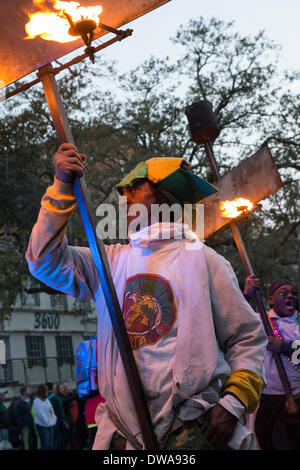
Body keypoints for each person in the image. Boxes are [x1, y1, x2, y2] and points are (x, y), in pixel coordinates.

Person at [26, 144, 267, 450]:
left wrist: (232, 406)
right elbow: (42, 260)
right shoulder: (109, 261)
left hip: (195, 432)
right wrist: (61, 186)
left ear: (160, 194)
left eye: (134, 188)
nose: (124, 199)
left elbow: (247, 339)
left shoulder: (208, 262)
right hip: (124, 436)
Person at [244, 275, 300, 449]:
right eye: (283, 292)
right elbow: (234, 318)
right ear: (271, 300)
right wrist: (246, 294)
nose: (289, 295)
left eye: (292, 292)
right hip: (272, 400)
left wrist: (283, 347)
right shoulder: (261, 321)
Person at [33, 384, 57, 450]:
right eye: (46, 391)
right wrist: (49, 422)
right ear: (42, 392)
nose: (48, 393)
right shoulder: (36, 401)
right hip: (43, 426)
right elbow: (41, 415)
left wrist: (54, 419)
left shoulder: (46, 400)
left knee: (51, 444)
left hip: (50, 424)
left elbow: (51, 410)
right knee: (45, 445)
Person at [46, 382, 65, 450]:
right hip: (57, 422)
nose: (56, 389)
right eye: (55, 388)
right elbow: (60, 411)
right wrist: (63, 422)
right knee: (57, 440)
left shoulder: (44, 398)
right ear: (52, 389)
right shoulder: (56, 397)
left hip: (47, 422)